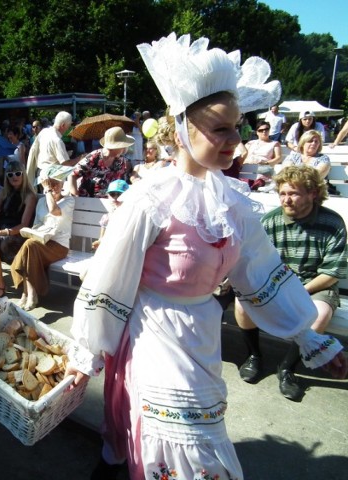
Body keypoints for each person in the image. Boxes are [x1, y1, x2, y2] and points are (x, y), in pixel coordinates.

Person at [67, 33, 347, 480]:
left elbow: (260, 274)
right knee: (182, 445)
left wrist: (309, 337)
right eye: (221, 128)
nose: (235, 140)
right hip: (153, 332)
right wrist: (87, 352)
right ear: (183, 130)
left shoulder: (234, 202)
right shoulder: (149, 200)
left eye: (237, 127)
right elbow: (108, 283)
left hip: (202, 332)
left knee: (199, 433)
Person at [234, 165, 346, 401]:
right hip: (276, 283)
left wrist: (298, 292)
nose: (286, 199)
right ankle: (254, 355)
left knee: (318, 314)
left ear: (313, 193)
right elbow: (255, 260)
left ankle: (287, 368)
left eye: (293, 193)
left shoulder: (333, 223)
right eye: (282, 193)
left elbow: (332, 272)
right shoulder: (271, 220)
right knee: (241, 305)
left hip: (315, 284)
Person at [11, 165, 74, 310]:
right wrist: (34, 232)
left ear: (63, 183)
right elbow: (37, 224)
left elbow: (54, 210)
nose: (54, 186)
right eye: (50, 183)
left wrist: (47, 191)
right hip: (41, 242)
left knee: (29, 246)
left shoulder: (69, 201)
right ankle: (29, 294)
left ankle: (28, 293)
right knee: (30, 244)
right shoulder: (41, 202)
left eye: (57, 182)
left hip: (59, 246)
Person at [0, 160, 37, 299]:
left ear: (23, 175)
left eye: (18, 173)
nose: (14, 177)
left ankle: (0, 286)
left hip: (19, 233)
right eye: (10, 174)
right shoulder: (4, 192)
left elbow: (24, 224)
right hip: (2, 228)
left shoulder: (29, 196)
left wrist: (1, 232)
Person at [68, 127, 133, 197]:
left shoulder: (121, 161)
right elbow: (72, 175)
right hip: (87, 202)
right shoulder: (94, 157)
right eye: (122, 146)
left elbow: (121, 184)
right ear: (113, 147)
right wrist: (75, 195)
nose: (123, 149)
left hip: (110, 202)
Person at [26, 111, 77, 185]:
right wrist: (81, 158)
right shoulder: (57, 140)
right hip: (52, 177)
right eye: (68, 126)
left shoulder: (44, 132)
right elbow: (66, 164)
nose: (68, 129)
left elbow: (48, 154)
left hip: (40, 175)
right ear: (63, 125)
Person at [92, 179, 129, 250]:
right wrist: (99, 242)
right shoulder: (107, 217)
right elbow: (102, 238)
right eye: (112, 194)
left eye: (119, 194)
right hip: (110, 249)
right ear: (108, 196)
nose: (115, 198)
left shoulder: (130, 215)